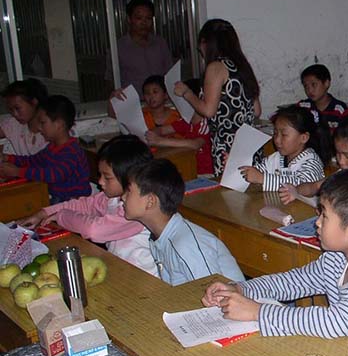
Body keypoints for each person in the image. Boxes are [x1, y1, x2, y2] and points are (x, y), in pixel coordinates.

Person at [202, 168, 348, 338]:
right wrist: (240, 289)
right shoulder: (337, 258)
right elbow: (294, 282)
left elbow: (337, 322)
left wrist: (256, 311)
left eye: (324, 216)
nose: (317, 222)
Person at [17, 135, 157, 275]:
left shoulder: (139, 211)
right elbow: (85, 205)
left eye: (107, 177)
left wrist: (61, 216)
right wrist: (44, 213)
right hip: (121, 266)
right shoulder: (112, 198)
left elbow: (94, 230)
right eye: (100, 174)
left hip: (146, 276)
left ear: (131, 178)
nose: (100, 182)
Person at [121, 158, 244, 286]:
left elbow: (215, 294)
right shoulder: (160, 237)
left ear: (150, 201)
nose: (122, 197)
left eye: (128, 192)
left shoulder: (185, 244)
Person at [173, 19, 262, 176]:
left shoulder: (216, 67)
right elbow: (256, 111)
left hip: (228, 146)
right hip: (249, 144)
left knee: (232, 197)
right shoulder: (242, 66)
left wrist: (187, 93)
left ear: (205, 43)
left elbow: (208, 110)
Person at [0, 95, 90, 203]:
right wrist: (8, 158)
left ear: (59, 124)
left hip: (74, 203)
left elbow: (53, 175)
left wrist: (17, 172)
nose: (38, 127)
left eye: (43, 123)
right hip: (57, 198)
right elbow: (33, 161)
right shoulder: (52, 148)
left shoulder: (72, 152)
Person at [238, 105, 327, 192]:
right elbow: (256, 171)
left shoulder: (312, 162)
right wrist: (238, 165)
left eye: (284, 135)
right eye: (275, 133)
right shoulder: (276, 157)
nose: (277, 140)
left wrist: (263, 178)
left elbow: (302, 187)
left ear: (304, 138)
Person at [146, 79, 214, 176]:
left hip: (206, 173)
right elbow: (162, 129)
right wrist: (152, 134)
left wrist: (160, 141)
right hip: (191, 168)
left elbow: (195, 144)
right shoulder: (186, 120)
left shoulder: (206, 122)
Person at [115, 0, 174, 96]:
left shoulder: (160, 43)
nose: (144, 22)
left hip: (161, 103)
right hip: (133, 105)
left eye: (148, 18)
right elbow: (111, 80)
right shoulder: (119, 47)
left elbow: (170, 73)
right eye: (139, 18)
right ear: (129, 19)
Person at [0, 78, 48, 156]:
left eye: (18, 108)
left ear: (34, 102)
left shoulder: (54, 127)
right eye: (10, 110)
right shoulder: (13, 124)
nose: (14, 114)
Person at [298, 64, 348, 134]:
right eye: (306, 86)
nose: (309, 90)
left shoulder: (339, 109)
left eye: (314, 84)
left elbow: (345, 136)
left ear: (326, 83)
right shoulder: (302, 106)